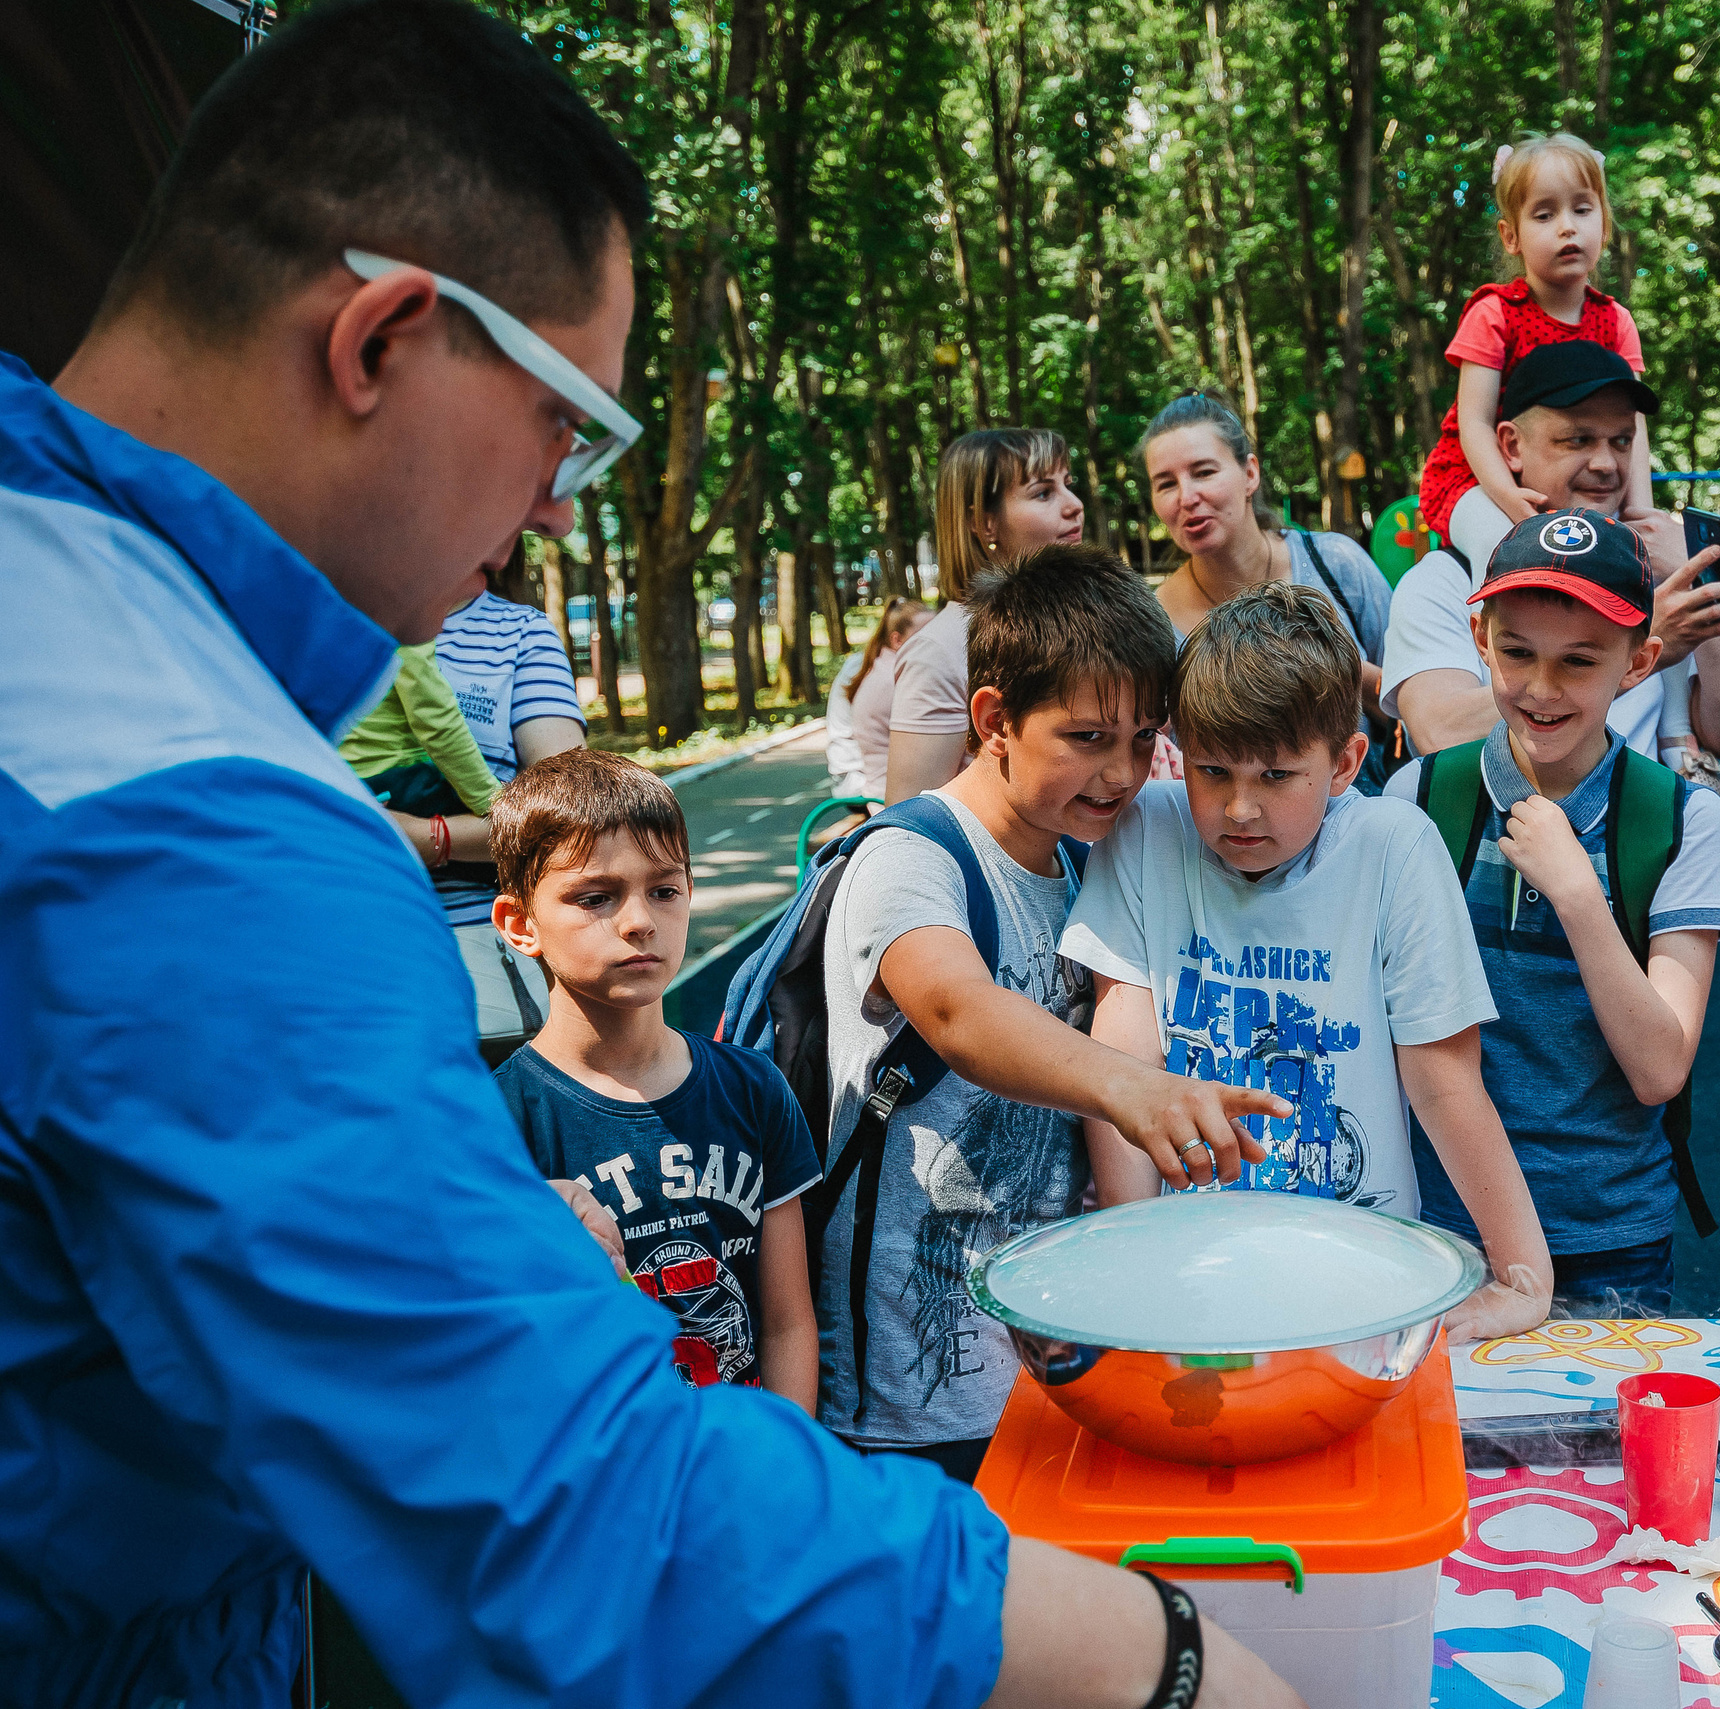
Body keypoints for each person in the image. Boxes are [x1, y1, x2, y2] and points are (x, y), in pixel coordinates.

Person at [0, 3, 1300, 1702]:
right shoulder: (192, 814)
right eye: (567, 427)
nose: (556, 509)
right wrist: (1170, 1653)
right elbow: (566, 1505)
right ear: (381, 337)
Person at [820, 546, 1297, 1483]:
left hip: (1045, 1363)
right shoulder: (913, 857)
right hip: (902, 1402)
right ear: (994, 719)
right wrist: (1138, 1089)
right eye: (1086, 738)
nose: (1120, 774)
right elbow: (957, 1008)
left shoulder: (1087, 857)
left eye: (1140, 739)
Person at [1063, 582, 1555, 1343]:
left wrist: (1523, 1274)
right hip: (1188, 1270)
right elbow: (1126, 1048)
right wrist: (1137, 1255)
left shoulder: (1394, 847)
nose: (1239, 809)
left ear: (1344, 762)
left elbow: (1444, 1080)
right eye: (1213, 770)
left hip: (1357, 1275)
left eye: (1274, 776)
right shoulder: (1145, 833)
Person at [1385, 510, 1720, 1316]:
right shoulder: (1420, 798)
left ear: (1640, 661)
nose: (1541, 690)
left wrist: (1579, 893)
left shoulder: (1685, 819)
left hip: (1612, 1238)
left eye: (1579, 661)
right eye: (1517, 654)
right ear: (1480, 638)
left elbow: (1660, 1069)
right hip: (1446, 1228)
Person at [491, 749, 821, 1412]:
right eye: (596, 897)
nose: (640, 919)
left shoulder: (754, 1089)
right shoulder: (495, 1121)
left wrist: (786, 1467)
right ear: (520, 924)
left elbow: (788, 1322)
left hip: (740, 1473)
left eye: (664, 889)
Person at [1382, 343, 1720, 770]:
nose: (1605, 463)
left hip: (1642, 834)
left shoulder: (1659, 572)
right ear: (1511, 446)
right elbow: (1439, 734)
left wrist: (1698, 578)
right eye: (1577, 440)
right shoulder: (1443, 581)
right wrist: (1629, 652)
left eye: (1621, 441)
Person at [1415, 132, 1653, 569]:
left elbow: (1631, 427)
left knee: (1631, 554)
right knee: (1501, 547)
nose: (1567, 226)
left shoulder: (1615, 320)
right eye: (1544, 214)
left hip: (1573, 480)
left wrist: (1639, 513)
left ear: (1604, 227)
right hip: (1478, 480)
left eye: (1582, 210)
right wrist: (1507, 497)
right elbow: (1475, 423)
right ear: (1511, 236)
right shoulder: (1494, 314)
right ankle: (1491, 634)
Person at [1142, 389, 1396, 784]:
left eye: (1204, 472)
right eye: (1165, 483)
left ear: (1250, 473)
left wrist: (1342, 670)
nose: (1187, 497)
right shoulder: (1153, 623)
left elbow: (1415, 706)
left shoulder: (1336, 563)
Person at [408, 568, 591, 1060]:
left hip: (481, 950)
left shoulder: (519, 633)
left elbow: (570, 812)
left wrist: (429, 837)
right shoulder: (321, 616)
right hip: (338, 941)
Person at [885, 427, 1084, 803]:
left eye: (1068, 484)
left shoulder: (1082, 622)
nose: (1074, 504)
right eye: (1043, 492)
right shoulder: (938, 653)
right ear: (984, 522)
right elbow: (908, 824)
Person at [337, 636, 503, 818]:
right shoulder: (403, 624)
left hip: (344, 775)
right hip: (397, 777)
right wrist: (492, 801)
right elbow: (436, 721)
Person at [826, 595, 929, 804]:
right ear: (896, 639)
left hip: (855, 775)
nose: (934, 643)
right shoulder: (885, 674)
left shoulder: (872, 662)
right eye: (923, 636)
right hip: (859, 781)